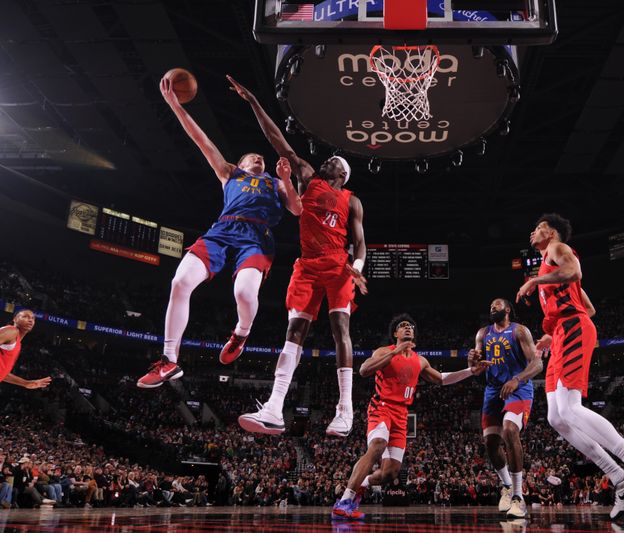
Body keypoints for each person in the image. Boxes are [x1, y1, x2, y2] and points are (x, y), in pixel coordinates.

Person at [137, 75, 302, 388]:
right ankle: (169, 361)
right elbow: (202, 140)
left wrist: (287, 179)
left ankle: (241, 333)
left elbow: (297, 210)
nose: (259, 157)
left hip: (257, 237)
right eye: (253, 155)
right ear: (240, 163)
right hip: (222, 231)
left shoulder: (275, 182)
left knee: (243, 292)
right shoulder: (229, 173)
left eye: (261, 157)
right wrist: (175, 106)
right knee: (180, 281)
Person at [227, 76, 368, 437]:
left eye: (335, 161)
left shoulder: (351, 200)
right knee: (294, 330)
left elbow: (361, 242)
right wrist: (253, 102)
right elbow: (278, 139)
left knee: (340, 330)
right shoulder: (307, 177)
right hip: (307, 265)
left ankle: (345, 410)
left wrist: (357, 267)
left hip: (338, 266)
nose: (328, 160)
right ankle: (274, 408)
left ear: (343, 173)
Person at [516, 213, 624, 519]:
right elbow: (588, 305)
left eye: (536, 228)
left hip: (574, 329)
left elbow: (574, 273)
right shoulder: (549, 263)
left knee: (571, 408)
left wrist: (536, 279)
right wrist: (548, 336)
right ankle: (621, 478)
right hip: (562, 333)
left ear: (550, 231)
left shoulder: (559, 249)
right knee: (556, 417)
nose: (532, 232)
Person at [331, 314, 489, 519]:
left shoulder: (420, 360)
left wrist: (471, 371)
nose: (407, 327)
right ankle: (345, 499)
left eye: (410, 326)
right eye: (402, 326)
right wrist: (395, 351)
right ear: (395, 334)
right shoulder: (383, 351)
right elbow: (363, 370)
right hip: (382, 407)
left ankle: (362, 482)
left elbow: (441, 379)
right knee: (378, 444)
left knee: (390, 474)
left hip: (402, 414)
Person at [468, 298, 543, 518]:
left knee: (510, 430)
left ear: (507, 310)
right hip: (493, 390)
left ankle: (519, 497)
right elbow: (476, 369)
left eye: (497, 305)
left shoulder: (519, 331)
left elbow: (538, 364)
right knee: (490, 443)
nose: (492, 307)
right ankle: (508, 486)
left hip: (518, 388)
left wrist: (517, 379)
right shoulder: (482, 333)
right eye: (490, 305)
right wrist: (472, 360)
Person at [1, 309, 51, 390]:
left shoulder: (17, 343)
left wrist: (26, 383)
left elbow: (2, 373)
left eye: (33, 318)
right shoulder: (11, 331)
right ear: (15, 319)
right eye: (25, 316)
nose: (30, 320)